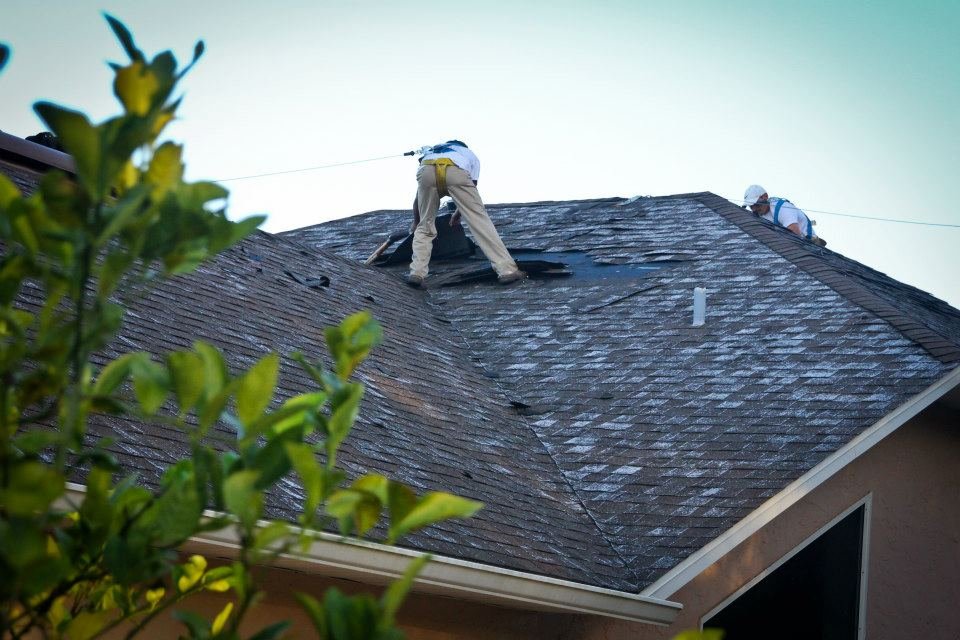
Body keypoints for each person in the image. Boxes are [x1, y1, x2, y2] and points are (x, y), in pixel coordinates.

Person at [407, 140, 525, 287]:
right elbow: (470, 195)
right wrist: (459, 213)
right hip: (456, 171)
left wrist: (416, 221)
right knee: (479, 221)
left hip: (427, 170)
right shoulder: (469, 155)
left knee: (425, 226)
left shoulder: (433, 152)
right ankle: (506, 271)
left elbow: (418, 199)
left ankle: (417, 273)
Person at [743, 185, 826, 247]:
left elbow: (794, 235)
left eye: (756, 205)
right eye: (751, 207)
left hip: (808, 245)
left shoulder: (782, 208)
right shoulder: (759, 214)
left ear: (765, 197)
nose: (754, 209)